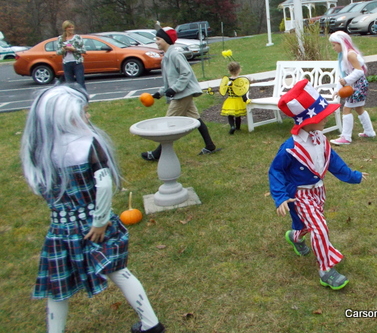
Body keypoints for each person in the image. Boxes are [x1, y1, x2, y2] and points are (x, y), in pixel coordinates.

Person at [20, 85, 165, 333]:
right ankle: (150, 323)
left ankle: (150, 323)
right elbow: (103, 183)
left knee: (66, 283)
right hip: (77, 225)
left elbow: (104, 184)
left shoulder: (64, 146)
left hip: (76, 226)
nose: (88, 116)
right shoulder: (69, 145)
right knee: (98, 275)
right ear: (64, 115)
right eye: (83, 112)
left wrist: (99, 221)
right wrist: (98, 219)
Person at [268, 79, 368, 290]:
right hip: (300, 195)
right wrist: (280, 196)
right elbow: (276, 170)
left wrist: (353, 176)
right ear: (306, 121)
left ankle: (294, 236)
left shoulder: (321, 139)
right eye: (322, 116)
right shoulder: (290, 148)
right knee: (320, 229)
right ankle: (326, 271)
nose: (327, 118)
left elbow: (334, 162)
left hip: (318, 192)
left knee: (309, 225)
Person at [141, 27, 217, 160]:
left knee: (169, 123)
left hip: (182, 94)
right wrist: (160, 93)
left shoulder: (175, 55)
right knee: (196, 120)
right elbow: (170, 81)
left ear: (166, 40)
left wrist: (175, 89)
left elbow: (186, 73)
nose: (156, 41)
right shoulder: (167, 57)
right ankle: (210, 145)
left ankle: (157, 154)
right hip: (181, 93)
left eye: (158, 39)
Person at [328, 31, 376, 145]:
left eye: (334, 45)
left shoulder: (350, 54)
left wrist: (346, 81)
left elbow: (359, 71)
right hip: (355, 85)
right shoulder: (345, 55)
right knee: (359, 108)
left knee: (346, 109)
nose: (333, 48)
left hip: (357, 86)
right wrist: (338, 88)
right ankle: (369, 132)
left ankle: (346, 137)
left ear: (341, 43)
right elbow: (344, 75)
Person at [220, 61, 250, 134]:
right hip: (238, 100)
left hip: (230, 100)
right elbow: (242, 92)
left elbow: (224, 90)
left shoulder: (227, 81)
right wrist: (245, 100)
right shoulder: (240, 81)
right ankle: (238, 127)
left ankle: (232, 126)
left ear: (229, 71)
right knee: (238, 115)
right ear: (239, 69)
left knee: (230, 115)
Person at [56, 20, 86, 90]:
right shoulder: (60, 39)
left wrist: (74, 49)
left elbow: (84, 50)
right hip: (66, 64)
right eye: (69, 27)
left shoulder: (77, 38)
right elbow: (57, 52)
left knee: (80, 83)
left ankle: (83, 97)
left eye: (72, 27)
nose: (71, 29)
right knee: (70, 84)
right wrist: (63, 50)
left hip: (77, 63)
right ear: (65, 28)